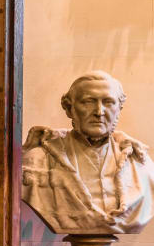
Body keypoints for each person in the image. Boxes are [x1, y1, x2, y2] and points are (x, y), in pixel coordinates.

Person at [22, 71, 154, 234]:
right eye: (88, 102)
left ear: (118, 109)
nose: (99, 112)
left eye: (108, 102)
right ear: (69, 108)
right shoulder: (38, 160)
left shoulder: (141, 166)